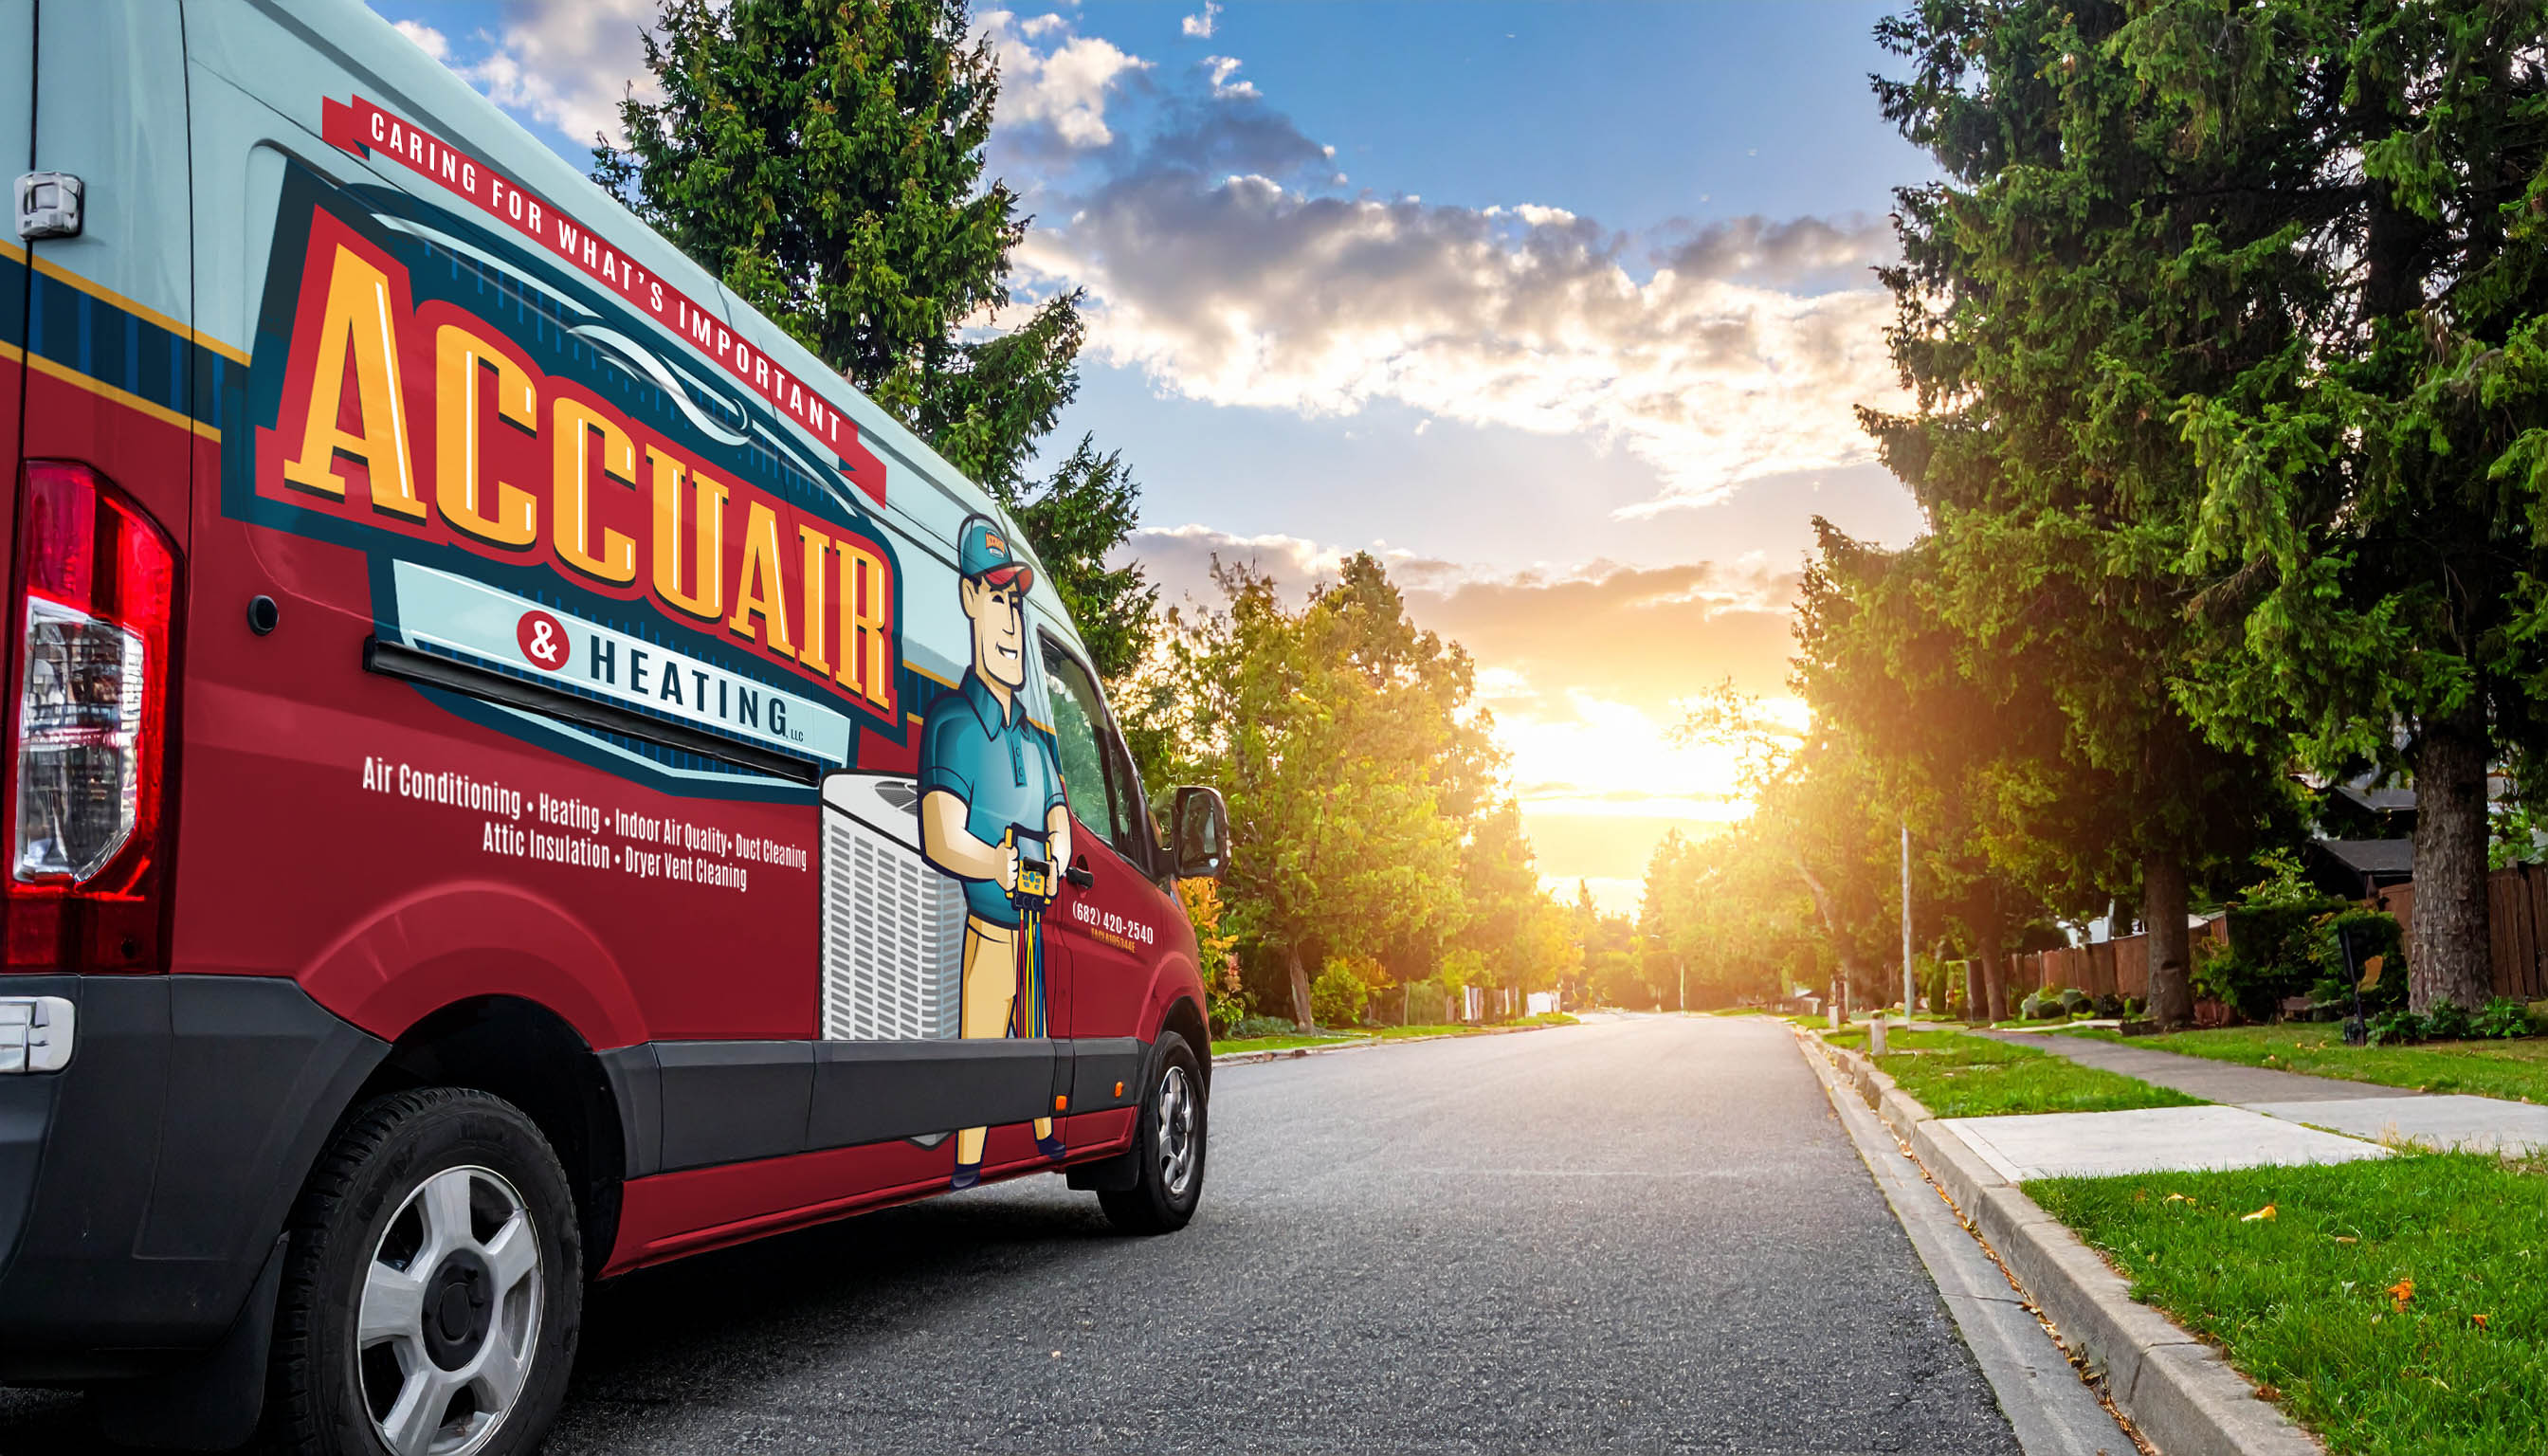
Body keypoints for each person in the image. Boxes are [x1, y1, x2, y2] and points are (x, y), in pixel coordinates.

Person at [918, 516, 1073, 1188]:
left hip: (1037, 924)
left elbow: (1061, 817)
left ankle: (1046, 1135)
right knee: (982, 1044)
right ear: (968, 601)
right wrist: (996, 865)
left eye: (1017, 602)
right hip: (987, 924)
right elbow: (939, 832)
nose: (1011, 621)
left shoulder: (1037, 743)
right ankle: (968, 1160)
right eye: (997, 599)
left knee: (1037, 1035)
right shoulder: (953, 724)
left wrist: (1059, 857)